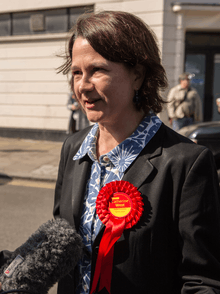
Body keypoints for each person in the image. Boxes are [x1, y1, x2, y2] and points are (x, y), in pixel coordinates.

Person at [1, 10, 220, 294]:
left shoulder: (186, 163)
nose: (82, 85)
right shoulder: (72, 148)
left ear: (138, 75)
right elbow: (59, 244)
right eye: (77, 73)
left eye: (97, 70)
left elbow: (203, 281)